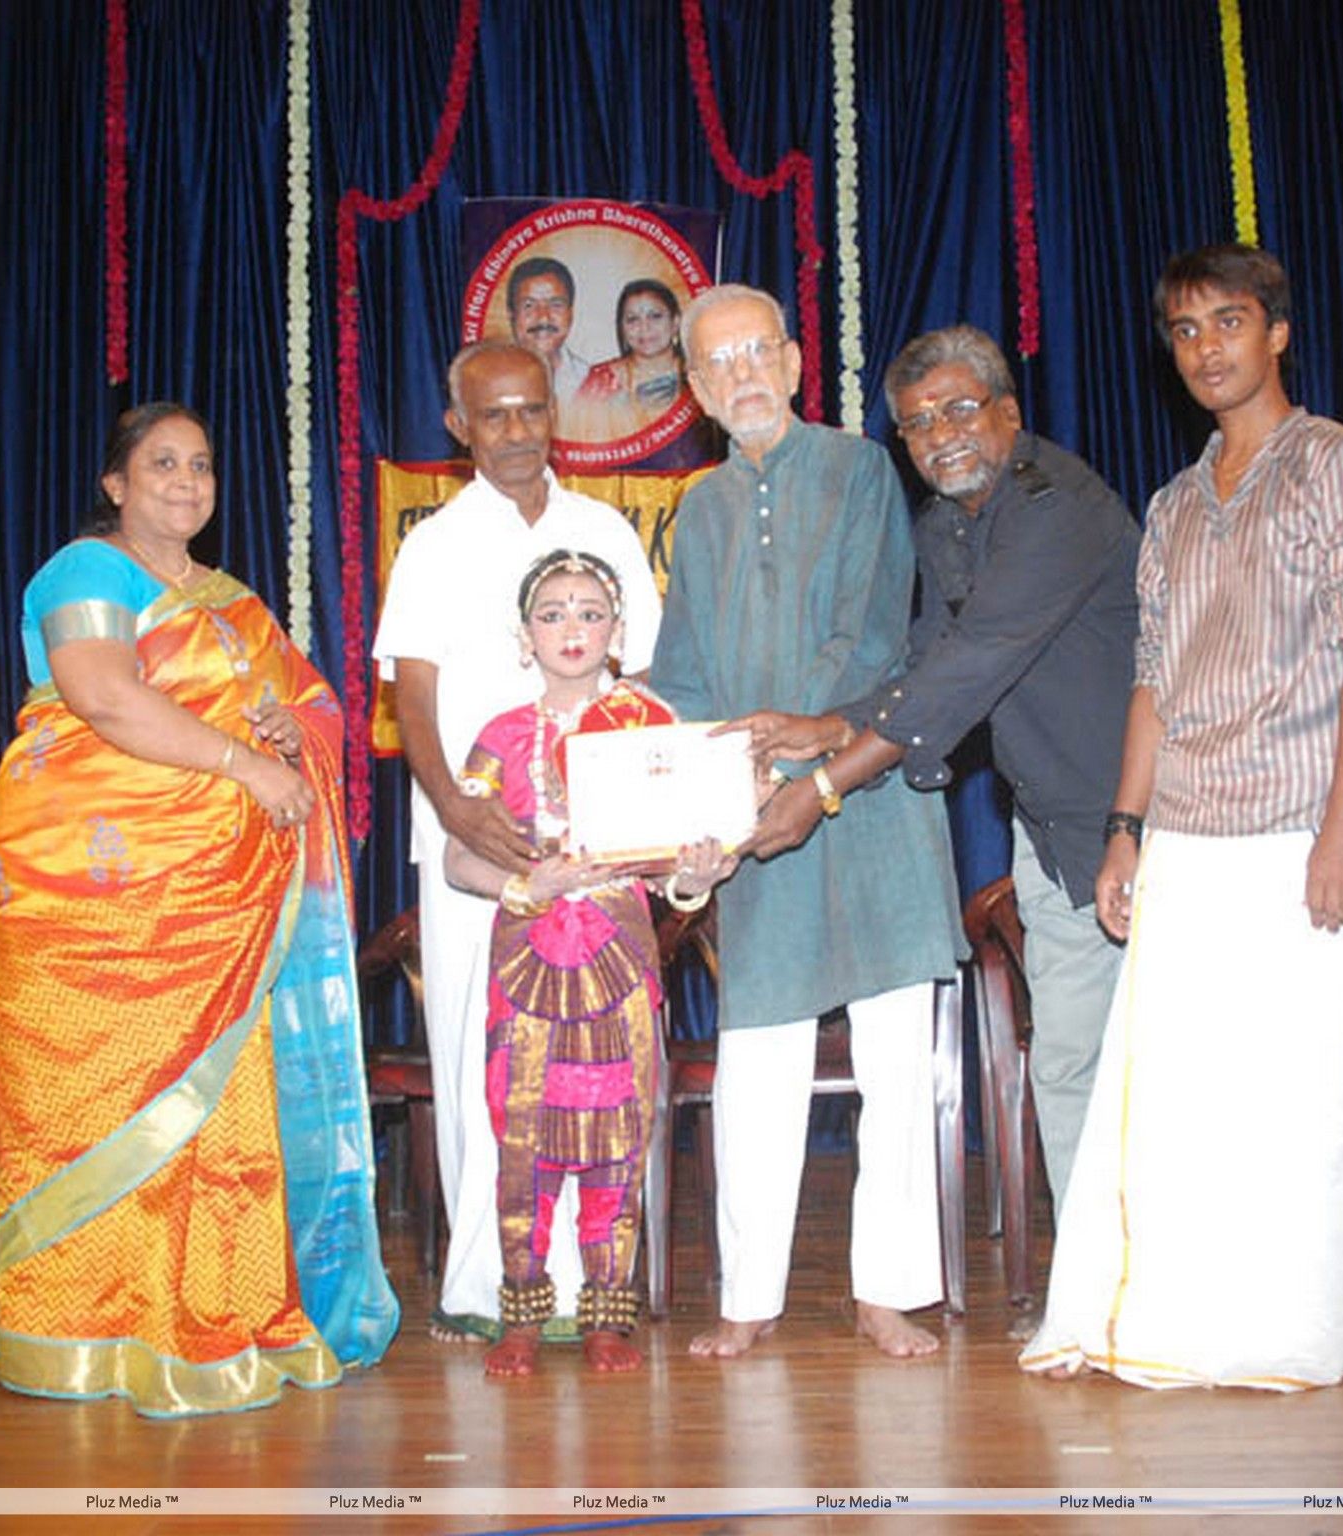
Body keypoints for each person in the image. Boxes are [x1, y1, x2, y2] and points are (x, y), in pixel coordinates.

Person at [1022, 244, 1343, 1391]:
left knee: (1306, 1093)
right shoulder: (1172, 503)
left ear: (1276, 333)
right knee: (1184, 1103)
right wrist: (1123, 827)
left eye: (1227, 323)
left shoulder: (1342, 466)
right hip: (1185, 835)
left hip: (1304, 822)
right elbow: (1152, 676)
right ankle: (1173, 1328)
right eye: (1185, 332)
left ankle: (1289, 1332)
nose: (1205, 349)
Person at [0, 402, 397, 1416]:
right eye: (160, 463)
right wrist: (244, 761)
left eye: (199, 464)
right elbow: (104, 698)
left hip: (214, 896)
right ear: (114, 483)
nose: (184, 482)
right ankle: (75, 1330)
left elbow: (314, 708)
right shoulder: (85, 572)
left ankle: (206, 1314)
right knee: (87, 1103)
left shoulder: (228, 600)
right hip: (88, 888)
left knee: (218, 1109)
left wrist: (285, 732)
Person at [735, 324, 1137, 1221]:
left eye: (960, 410)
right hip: (1056, 838)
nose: (941, 435)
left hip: (1147, 826)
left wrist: (826, 785)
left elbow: (966, 673)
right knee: (1070, 1064)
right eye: (917, 424)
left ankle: (1181, 1297)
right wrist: (824, 724)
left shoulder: (1055, 506)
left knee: (1170, 1067)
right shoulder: (944, 525)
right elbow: (923, 666)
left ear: (1009, 410)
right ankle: (1091, 1290)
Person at [651, 284, 967, 1360]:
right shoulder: (696, 509)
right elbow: (683, 671)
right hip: (751, 818)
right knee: (758, 1059)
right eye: (715, 362)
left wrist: (802, 738)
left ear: (791, 362)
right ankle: (749, 1296)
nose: (740, 374)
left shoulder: (858, 467)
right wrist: (695, 793)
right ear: (693, 388)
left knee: (893, 1062)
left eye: (755, 352)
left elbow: (878, 633)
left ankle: (888, 1289)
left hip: (866, 794)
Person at [372, 342, 661, 1342]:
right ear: (458, 426)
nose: (514, 432)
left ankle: (594, 1285)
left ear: (553, 416)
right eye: (491, 415)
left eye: (530, 411)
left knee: (600, 1062)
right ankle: (483, 1286)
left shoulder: (603, 530)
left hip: (600, 849)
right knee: (479, 1054)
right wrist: (453, 805)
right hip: (475, 838)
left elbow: (639, 688)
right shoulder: (433, 543)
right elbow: (408, 693)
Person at [444, 549, 734, 1378]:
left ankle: (609, 1315)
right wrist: (532, 884)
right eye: (553, 613)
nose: (571, 629)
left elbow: (673, 868)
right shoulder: (497, 740)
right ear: (524, 634)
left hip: (620, 958)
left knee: (618, 1135)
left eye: (589, 612)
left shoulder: (650, 728)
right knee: (521, 1138)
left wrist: (697, 876)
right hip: (527, 957)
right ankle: (524, 1317)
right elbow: (460, 864)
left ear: (617, 630)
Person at [575, 279, 689, 434]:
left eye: (655, 316)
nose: (644, 327)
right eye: (632, 319)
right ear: (621, 327)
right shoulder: (601, 381)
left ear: (675, 322)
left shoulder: (698, 377)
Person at [507, 257, 592, 408]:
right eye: (529, 305)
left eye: (556, 304)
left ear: (570, 313)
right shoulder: (490, 381)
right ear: (511, 314)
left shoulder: (592, 381)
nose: (543, 317)